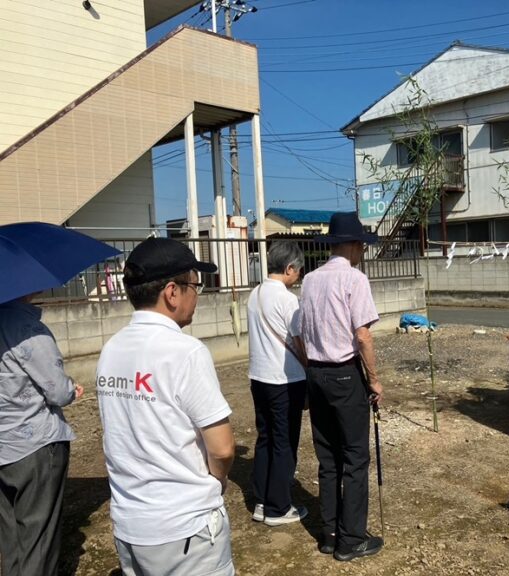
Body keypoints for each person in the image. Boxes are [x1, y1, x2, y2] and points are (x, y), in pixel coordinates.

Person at [96, 238, 236, 576]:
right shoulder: (185, 352)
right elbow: (222, 447)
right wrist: (217, 480)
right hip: (184, 529)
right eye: (194, 285)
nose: (196, 295)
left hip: (131, 524)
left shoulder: (111, 350)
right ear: (172, 292)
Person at [300, 212, 384, 562]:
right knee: (354, 457)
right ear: (350, 245)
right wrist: (375, 379)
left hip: (316, 374)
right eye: (361, 244)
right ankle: (351, 539)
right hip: (345, 374)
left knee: (328, 457)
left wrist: (312, 370)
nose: (363, 251)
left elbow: (302, 333)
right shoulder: (354, 279)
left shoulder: (309, 280)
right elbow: (362, 335)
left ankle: (330, 533)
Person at [0, 294, 83, 576]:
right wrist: (72, 389)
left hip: (3, 444)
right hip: (34, 444)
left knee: (11, 540)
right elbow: (58, 392)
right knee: (38, 541)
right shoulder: (27, 328)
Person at [247, 241, 308, 526]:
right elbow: (299, 340)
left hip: (258, 377)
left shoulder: (254, 294)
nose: (299, 277)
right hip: (285, 379)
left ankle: (261, 500)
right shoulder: (287, 300)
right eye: (299, 271)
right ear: (289, 268)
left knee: (266, 438)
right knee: (285, 442)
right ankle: (279, 507)